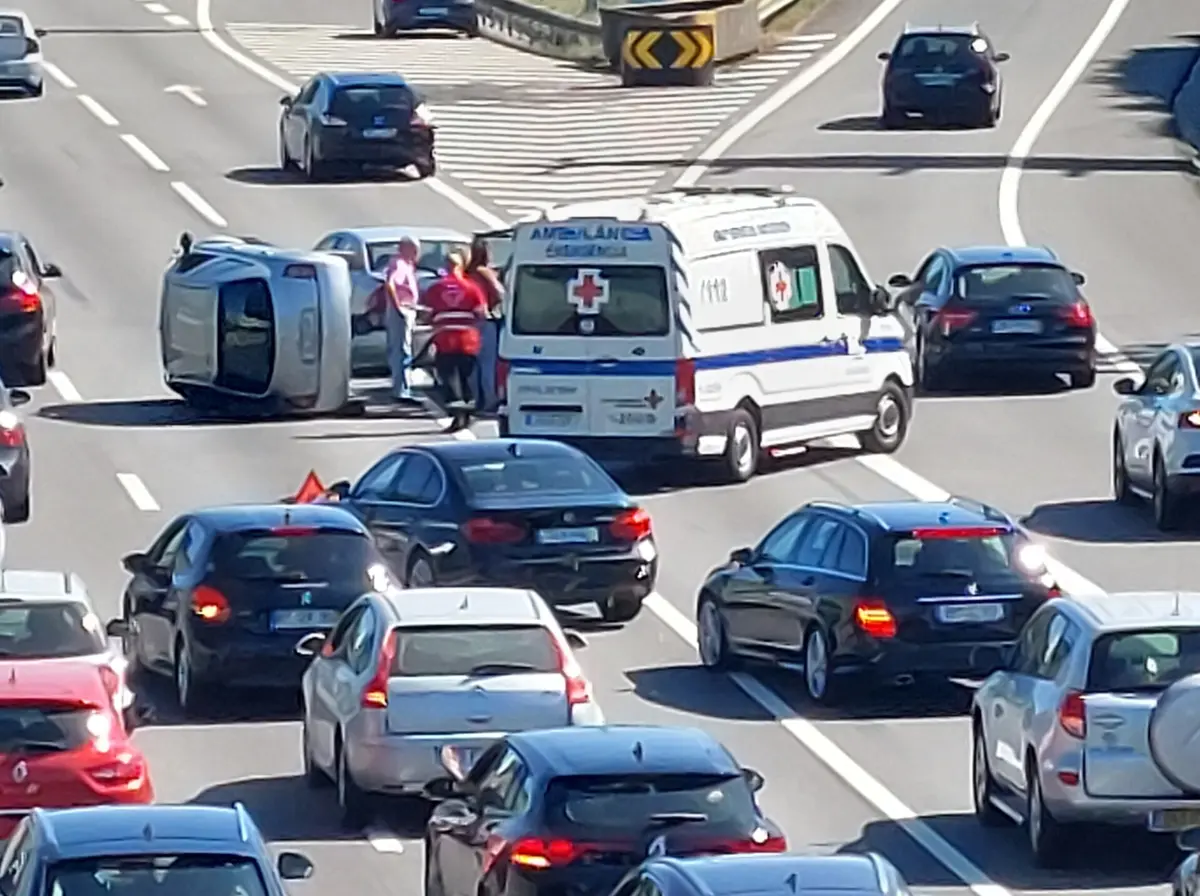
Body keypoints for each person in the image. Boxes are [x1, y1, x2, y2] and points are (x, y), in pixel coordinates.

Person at [423, 250, 488, 432]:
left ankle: (458, 415)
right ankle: (467, 414)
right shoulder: (472, 287)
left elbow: (427, 314)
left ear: (446, 265)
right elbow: (481, 312)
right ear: (462, 266)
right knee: (466, 378)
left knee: (449, 378)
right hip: (468, 340)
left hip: (445, 339)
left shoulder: (436, 288)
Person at [379, 235, 421, 403]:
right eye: (414, 249)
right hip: (402, 311)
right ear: (405, 248)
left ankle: (403, 387)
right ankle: (401, 389)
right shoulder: (398, 264)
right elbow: (390, 284)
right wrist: (398, 307)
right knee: (401, 349)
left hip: (408, 309)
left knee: (403, 348)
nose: (417, 253)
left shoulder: (407, 265)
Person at [466, 238, 504, 412]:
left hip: (468, 322)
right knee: (488, 363)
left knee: (474, 365)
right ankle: (489, 400)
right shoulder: (484, 272)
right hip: (484, 320)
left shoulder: (467, 273)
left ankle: (476, 399)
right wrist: (493, 304)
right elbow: (500, 293)